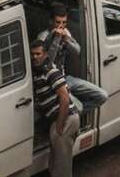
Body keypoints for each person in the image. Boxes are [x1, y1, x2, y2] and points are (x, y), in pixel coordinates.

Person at [31, 38, 81, 177]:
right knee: (55, 164)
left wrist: (59, 124)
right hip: (59, 120)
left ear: (45, 54)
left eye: (38, 54)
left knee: (61, 168)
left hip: (66, 119)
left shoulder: (50, 71)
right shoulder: (38, 73)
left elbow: (64, 98)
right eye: (33, 54)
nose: (35, 57)